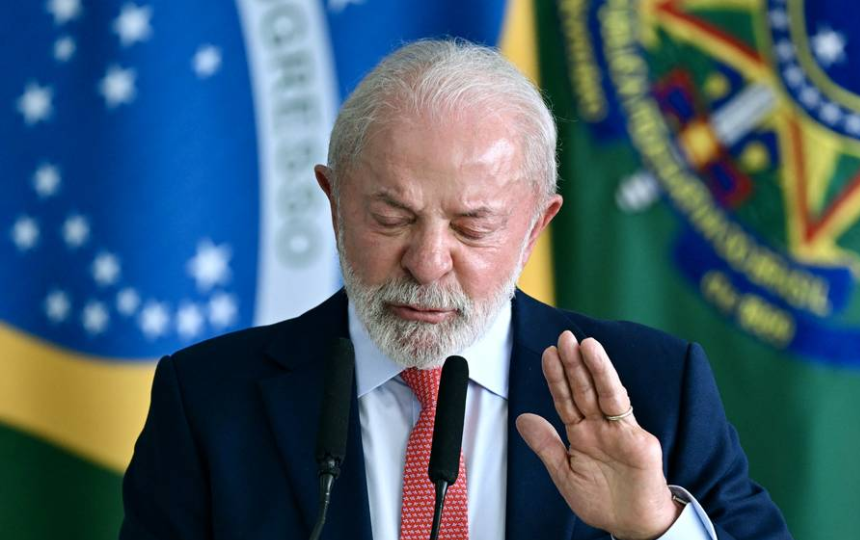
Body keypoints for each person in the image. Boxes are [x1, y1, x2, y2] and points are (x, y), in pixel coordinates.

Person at [120, 39, 792, 540]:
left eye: (473, 227)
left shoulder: (655, 388)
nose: (427, 262)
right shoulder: (209, 401)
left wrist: (656, 527)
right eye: (391, 217)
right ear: (333, 201)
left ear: (536, 227)